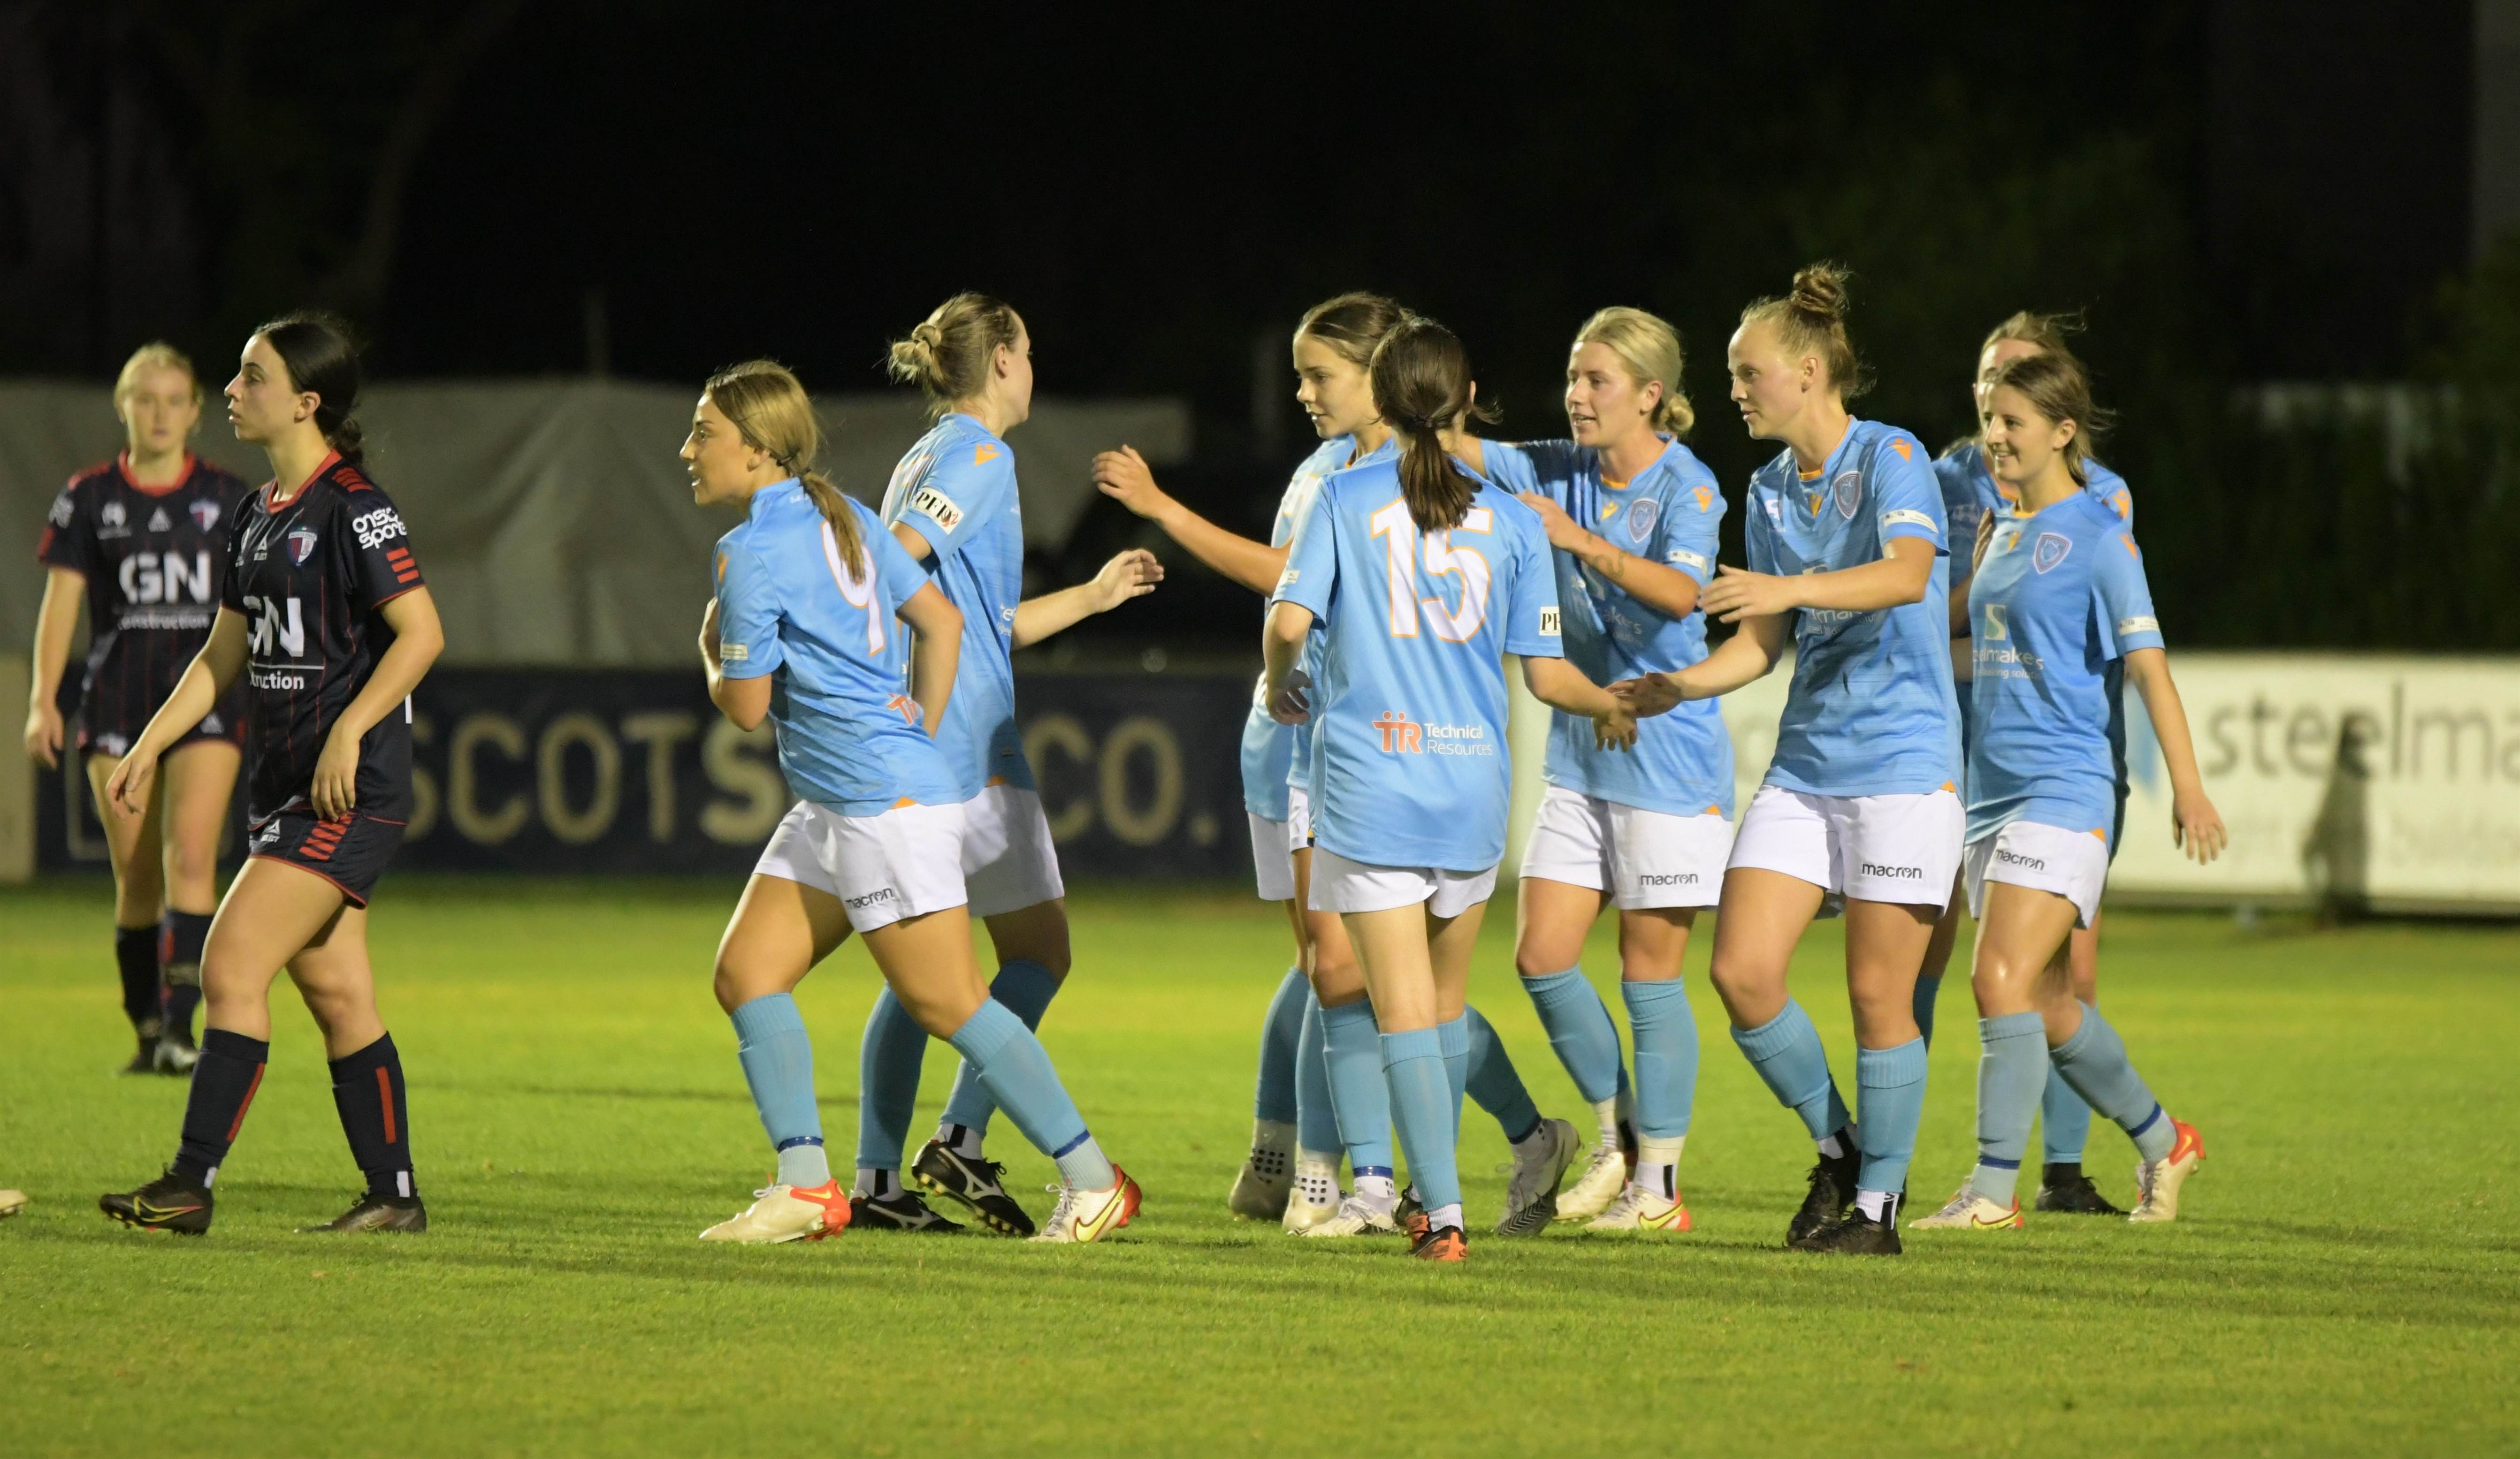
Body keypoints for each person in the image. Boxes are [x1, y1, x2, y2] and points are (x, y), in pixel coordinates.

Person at [1094, 295, 1571, 1239]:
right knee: (1331, 969)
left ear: (1382, 377)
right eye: (1304, 375)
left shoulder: (1431, 480)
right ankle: (1331, 1161)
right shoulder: (1329, 472)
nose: (1306, 392)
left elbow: (1288, 587)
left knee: (1356, 971)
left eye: (1323, 376)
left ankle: (1359, 1166)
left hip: (1372, 751)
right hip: (1297, 744)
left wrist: (1162, 512)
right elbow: (1292, 586)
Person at [686, 361, 1139, 1245]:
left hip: (874, 802)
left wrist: (710, 648)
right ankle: (809, 1187)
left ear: (757, 447)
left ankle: (1094, 1181)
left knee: (951, 1002)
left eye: (704, 433)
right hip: (846, 796)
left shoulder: (748, 551)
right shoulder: (844, 515)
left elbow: (742, 707)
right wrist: (917, 728)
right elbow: (942, 621)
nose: (689, 449)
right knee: (747, 974)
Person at [1264, 317, 1634, 1261]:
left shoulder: (1342, 497)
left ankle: (1442, 1213)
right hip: (1471, 792)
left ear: (1383, 401)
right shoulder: (1513, 519)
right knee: (1440, 1004)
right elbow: (1549, 675)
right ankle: (1470, 1183)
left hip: (1373, 785)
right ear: (1468, 403)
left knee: (1397, 1012)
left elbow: (1290, 619)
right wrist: (1618, 702)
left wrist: (1278, 679)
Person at [1617, 263, 1958, 1256]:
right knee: (1742, 971)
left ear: (1809, 372)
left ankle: (1879, 1212)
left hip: (1903, 763)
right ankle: (1842, 1148)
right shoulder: (1768, 490)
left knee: (1875, 998)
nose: (1734, 390)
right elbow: (1762, 643)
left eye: (1747, 372)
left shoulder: (1893, 454)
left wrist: (1786, 586)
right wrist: (1678, 684)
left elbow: (1906, 576)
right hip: (1809, 765)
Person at [98, 313, 446, 1235]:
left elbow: (422, 635)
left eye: (252, 376)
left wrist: (351, 730)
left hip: (349, 788)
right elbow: (220, 658)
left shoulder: (356, 507)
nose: (233, 390)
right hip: (285, 787)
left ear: (306, 401)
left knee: (231, 959)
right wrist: (147, 746)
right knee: (337, 994)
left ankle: (190, 1182)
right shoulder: (255, 516)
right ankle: (394, 1196)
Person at [853, 294, 1164, 1236]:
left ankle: (879, 1178)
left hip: (934, 740)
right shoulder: (981, 456)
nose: (1033, 368)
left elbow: (985, 622)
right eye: (1026, 351)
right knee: (1035, 954)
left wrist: (1095, 596)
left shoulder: (925, 455)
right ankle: (958, 1136)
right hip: (968, 752)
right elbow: (893, 566)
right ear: (999, 362)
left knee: (924, 971)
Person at [1910, 350, 2215, 1230]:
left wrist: (2185, 788)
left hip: (2067, 786)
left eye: (2012, 422)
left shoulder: (2100, 535)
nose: (1994, 437)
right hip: (1990, 793)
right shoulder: (2001, 529)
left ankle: (1990, 1191)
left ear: (2062, 431)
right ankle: (2165, 1143)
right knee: (2045, 1003)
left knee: (1995, 976)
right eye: (1989, 419)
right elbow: (1968, 643)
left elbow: (2149, 672)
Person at [1475, 307, 1733, 1233]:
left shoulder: (1689, 487)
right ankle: (1617, 1137)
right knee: (1542, 955)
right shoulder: (1557, 465)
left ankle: (1658, 1186)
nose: (1578, 396)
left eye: (1599, 382)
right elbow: (1467, 451)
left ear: (1650, 397)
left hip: (1666, 754)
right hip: (1583, 754)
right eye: (1575, 378)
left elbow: (1682, 591)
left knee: (1648, 976)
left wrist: (1579, 541)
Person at [1914, 312, 2136, 1214]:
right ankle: (1892, 1150)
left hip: (2062, 757)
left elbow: (2078, 634)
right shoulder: (1936, 479)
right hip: (1959, 756)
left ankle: (2055, 1171)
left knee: (2054, 975)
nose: (1991, 401)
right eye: (1983, 378)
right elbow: (1926, 607)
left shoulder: (2098, 497)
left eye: (2013, 382)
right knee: (1939, 959)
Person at [26, 343, 249, 1074]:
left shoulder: (227, 496)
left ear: (194, 411)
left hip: (202, 700)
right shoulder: (88, 497)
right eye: (144, 399)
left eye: (173, 400)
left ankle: (184, 1031)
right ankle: (148, 1026)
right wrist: (42, 701)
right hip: (118, 699)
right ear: (124, 406)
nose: (158, 413)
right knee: (138, 877)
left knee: (190, 855)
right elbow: (60, 607)